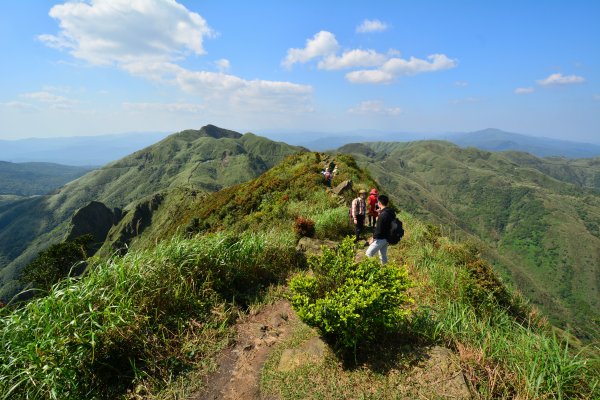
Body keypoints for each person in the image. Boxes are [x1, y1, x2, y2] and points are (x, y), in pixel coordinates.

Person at [366, 194, 395, 264]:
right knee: (383, 255)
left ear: (379, 203)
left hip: (381, 238)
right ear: (387, 203)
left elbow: (379, 229)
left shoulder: (382, 215)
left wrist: (373, 238)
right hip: (387, 237)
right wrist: (379, 214)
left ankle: (371, 269)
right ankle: (384, 269)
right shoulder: (390, 212)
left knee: (368, 253)